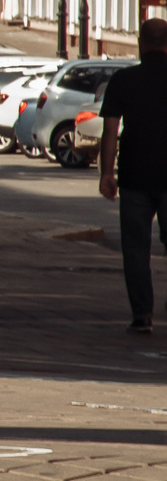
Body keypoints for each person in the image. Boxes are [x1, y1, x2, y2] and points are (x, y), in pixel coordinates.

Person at [97, 17, 167, 334]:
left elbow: (110, 131)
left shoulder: (123, 81)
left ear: (141, 44)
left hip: (134, 175)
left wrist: (106, 172)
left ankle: (142, 314)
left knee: (136, 249)